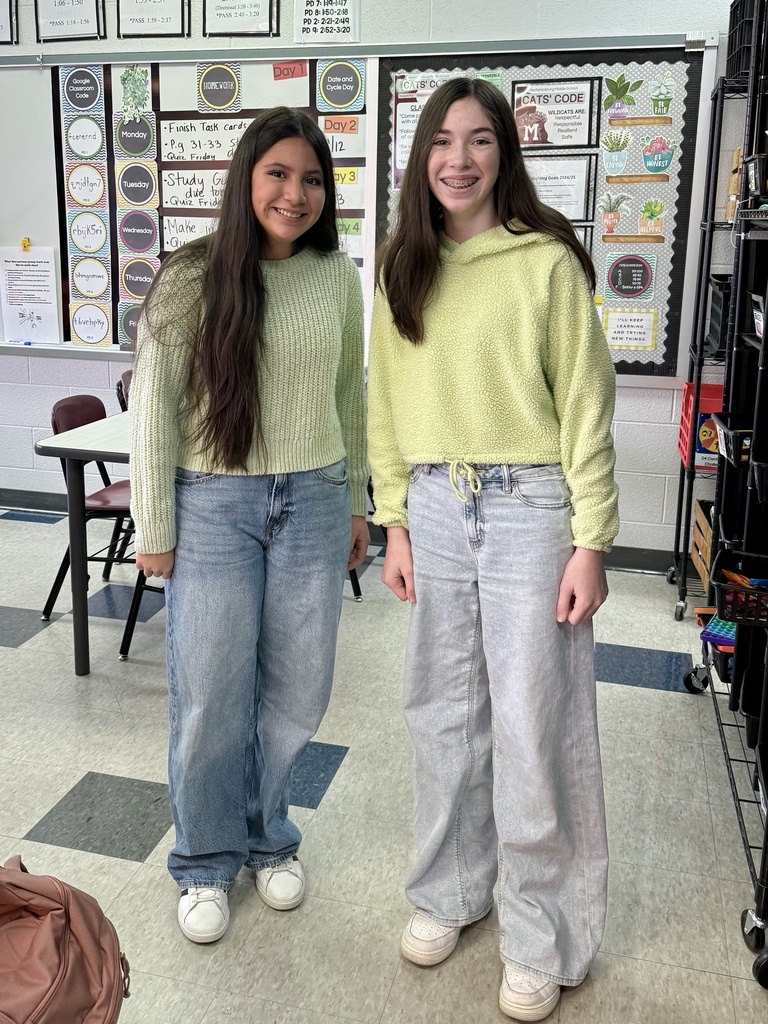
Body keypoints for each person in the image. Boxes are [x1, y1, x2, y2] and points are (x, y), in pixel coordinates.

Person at [367, 77, 619, 1022]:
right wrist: (392, 519)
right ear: (420, 158)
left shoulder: (547, 262)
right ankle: (449, 891)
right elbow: (386, 404)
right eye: (441, 141)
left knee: (531, 723)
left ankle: (542, 932)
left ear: (505, 154)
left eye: (478, 141)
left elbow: (586, 407)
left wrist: (591, 538)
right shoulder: (403, 264)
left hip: (529, 507)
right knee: (441, 711)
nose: (458, 160)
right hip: (433, 503)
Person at [129, 107, 369, 944]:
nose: (295, 194)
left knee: (299, 689)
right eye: (278, 174)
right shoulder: (189, 277)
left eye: (311, 180)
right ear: (246, 178)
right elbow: (153, 408)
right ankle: (202, 859)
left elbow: (351, 395)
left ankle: (269, 836)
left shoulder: (336, 276)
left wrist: (360, 503)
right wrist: (152, 522)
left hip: (315, 497)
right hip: (214, 508)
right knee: (210, 696)